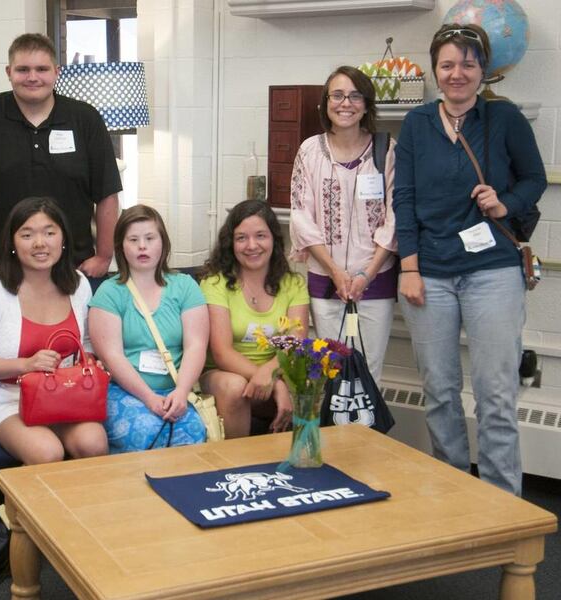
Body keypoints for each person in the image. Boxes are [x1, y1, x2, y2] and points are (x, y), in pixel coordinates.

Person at [393, 23, 546, 496]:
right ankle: (457, 498)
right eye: (448, 64)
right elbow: (405, 198)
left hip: (493, 272)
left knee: (495, 396)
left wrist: (506, 205)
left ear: (484, 71)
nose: (457, 73)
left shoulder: (505, 120)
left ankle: (504, 505)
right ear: (435, 70)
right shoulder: (417, 124)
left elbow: (534, 180)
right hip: (431, 276)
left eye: (468, 63)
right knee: (439, 394)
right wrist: (410, 268)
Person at [0, 33, 121, 282]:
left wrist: (104, 257)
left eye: (41, 69)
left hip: (74, 269)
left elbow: (107, 192)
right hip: (3, 272)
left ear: (56, 72)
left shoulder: (85, 119)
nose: (32, 77)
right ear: (8, 72)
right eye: (23, 69)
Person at [0, 197, 108, 464]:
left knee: (94, 442)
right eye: (27, 235)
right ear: (13, 244)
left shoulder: (78, 284)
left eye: (49, 233)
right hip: (7, 399)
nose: (40, 243)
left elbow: (86, 341)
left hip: (64, 395)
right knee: (47, 452)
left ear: (63, 239)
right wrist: (26, 365)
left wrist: (90, 359)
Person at [289, 66, 397, 383]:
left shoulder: (386, 150)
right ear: (325, 103)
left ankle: (365, 434)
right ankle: (336, 434)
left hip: (375, 281)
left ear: (366, 104)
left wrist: (367, 273)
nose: (345, 103)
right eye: (337, 95)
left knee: (369, 373)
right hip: (326, 281)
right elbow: (301, 215)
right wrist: (336, 271)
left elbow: (396, 216)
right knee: (331, 373)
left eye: (354, 95)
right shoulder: (309, 151)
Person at [88, 205, 208, 452]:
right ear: (121, 247)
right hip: (124, 391)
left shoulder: (185, 287)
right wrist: (149, 398)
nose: (142, 246)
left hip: (176, 389)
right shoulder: (109, 293)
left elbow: (196, 345)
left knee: (193, 433)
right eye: (133, 240)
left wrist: (182, 392)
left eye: (150, 238)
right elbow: (112, 356)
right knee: (150, 432)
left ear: (163, 243)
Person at [199, 200, 310, 439]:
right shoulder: (215, 284)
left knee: (308, 387)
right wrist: (271, 380)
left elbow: (295, 343)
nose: (252, 246)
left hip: (275, 373)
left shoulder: (294, 284)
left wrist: (272, 374)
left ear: (274, 239)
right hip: (223, 375)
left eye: (261, 235)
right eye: (241, 238)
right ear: (231, 243)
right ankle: (234, 468)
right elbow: (221, 352)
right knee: (236, 387)